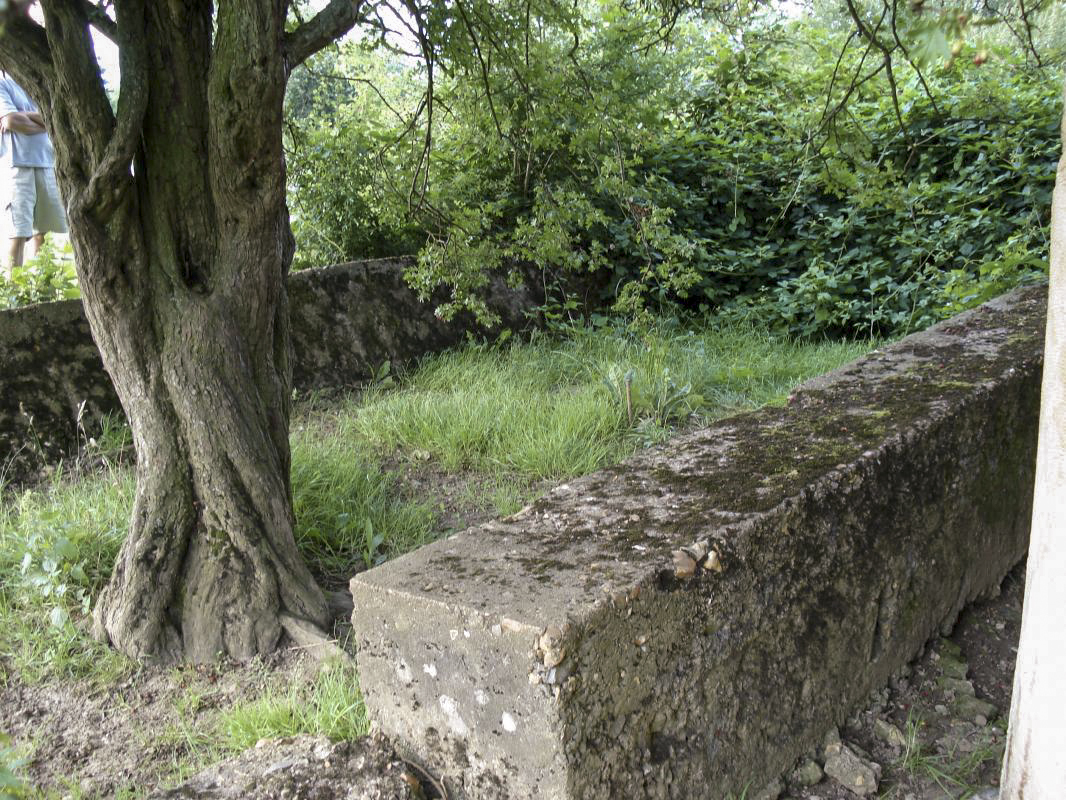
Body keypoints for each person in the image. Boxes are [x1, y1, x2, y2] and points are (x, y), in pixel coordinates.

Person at [0, 73, 66, 275]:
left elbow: (61, 117)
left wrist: (26, 116)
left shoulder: (40, 81)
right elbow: (11, 121)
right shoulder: (3, 84)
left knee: (44, 234)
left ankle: (41, 289)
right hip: (17, 166)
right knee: (18, 234)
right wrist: (45, 120)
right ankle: (14, 296)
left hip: (48, 163)